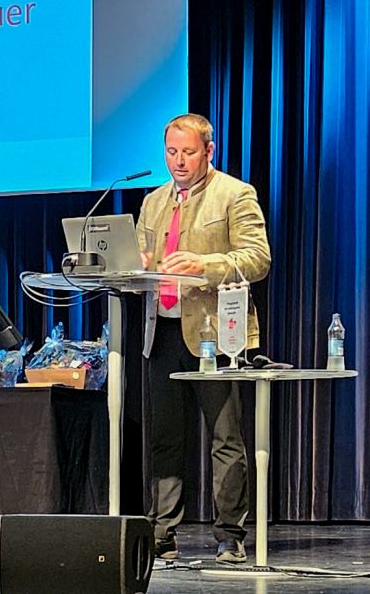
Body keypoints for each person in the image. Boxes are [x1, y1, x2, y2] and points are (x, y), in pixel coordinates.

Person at [136, 113, 271, 564]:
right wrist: (136, 264)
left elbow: (257, 258)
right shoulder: (153, 201)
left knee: (225, 437)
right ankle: (162, 533)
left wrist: (205, 266)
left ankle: (230, 534)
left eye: (188, 152)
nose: (179, 161)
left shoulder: (235, 193)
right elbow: (144, 259)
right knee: (164, 438)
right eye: (172, 152)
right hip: (162, 330)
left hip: (216, 334)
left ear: (209, 151)